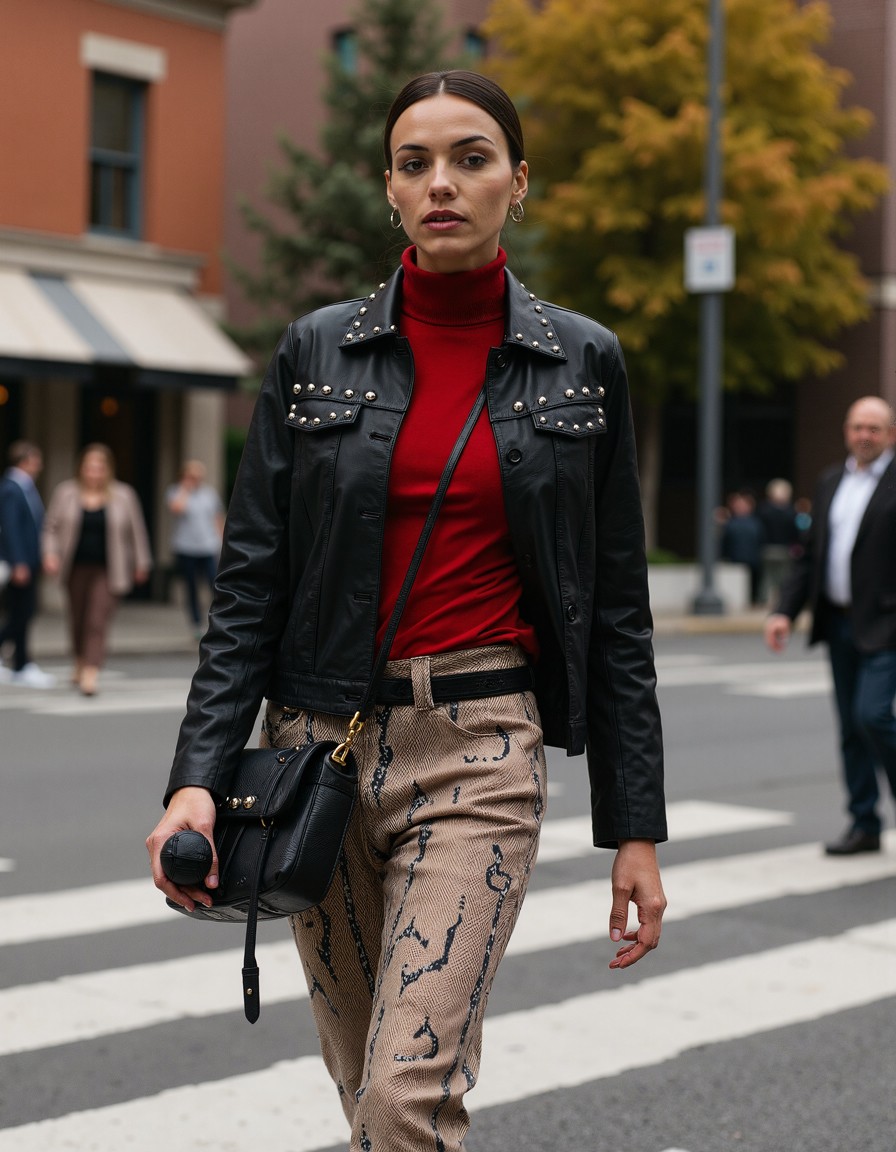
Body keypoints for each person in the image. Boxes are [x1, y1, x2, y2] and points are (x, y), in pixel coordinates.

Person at [147, 70, 667, 1152]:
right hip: (315, 756)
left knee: (403, 1096)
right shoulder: (312, 354)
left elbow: (613, 610)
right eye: (415, 162)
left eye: (470, 159)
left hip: (480, 750)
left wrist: (634, 830)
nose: (442, 183)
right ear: (387, 187)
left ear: (516, 182)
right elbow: (250, 584)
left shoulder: (583, 365)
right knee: (363, 1097)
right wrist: (196, 781)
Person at [765, 395, 896, 855]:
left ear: (890, 435)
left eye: (875, 428)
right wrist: (784, 610)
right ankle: (865, 823)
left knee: (874, 715)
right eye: (858, 427)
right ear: (847, 431)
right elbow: (810, 555)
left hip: (887, 624)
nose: (865, 435)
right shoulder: (830, 481)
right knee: (849, 728)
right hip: (838, 623)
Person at [43, 443, 152, 696]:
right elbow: (50, 527)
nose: (94, 472)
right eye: (89, 467)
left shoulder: (124, 495)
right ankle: (79, 660)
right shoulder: (66, 492)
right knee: (78, 618)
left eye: (99, 467)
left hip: (109, 569)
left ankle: (91, 672)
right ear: (81, 469)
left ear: (107, 470)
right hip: (75, 567)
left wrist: (142, 563)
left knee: (96, 620)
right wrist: (49, 553)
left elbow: (137, 531)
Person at [0, 441, 56, 687]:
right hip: (19, 563)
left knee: (23, 613)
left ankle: (21, 663)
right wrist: (19, 561)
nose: (40, 465)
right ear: (25, 461)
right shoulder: (12, 487)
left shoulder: (24, 486)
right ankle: (20, 662)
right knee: (20, 614)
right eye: (36, 459)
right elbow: (10, 528)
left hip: (28, 561)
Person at [166, 460, 224, 638]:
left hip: (207, 546)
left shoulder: (209, 494)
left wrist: (221, 540)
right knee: (191, 586)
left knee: (214, 584)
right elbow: (177, 508)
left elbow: (217, 517)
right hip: (186, 547)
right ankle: (196, 624)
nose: (195, 479)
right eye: (191, 475)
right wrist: (186, 489)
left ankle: (218, 620)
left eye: (198, 476)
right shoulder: (176, 491)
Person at [757, 477, 799, 605]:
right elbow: (795, 532)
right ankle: (782, 600)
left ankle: (764, 600)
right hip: (783, 548)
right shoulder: (790, 512)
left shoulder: (763, 510)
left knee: (768, 577)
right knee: (783, 577)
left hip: (768, 548)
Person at [719, 490, 766, 605]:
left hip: (753, 560)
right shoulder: (729, 523)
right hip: (735, 560)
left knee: (753, 587)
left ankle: (754, 600)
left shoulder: (756, 523)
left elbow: (761, 541)